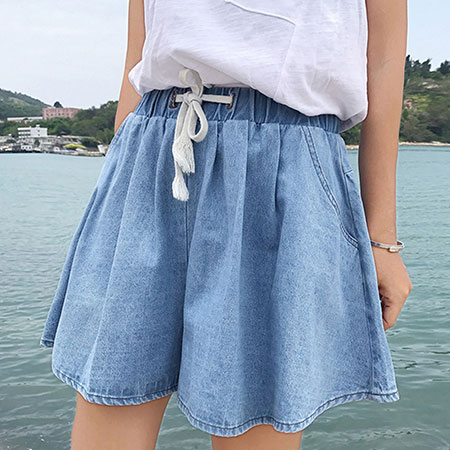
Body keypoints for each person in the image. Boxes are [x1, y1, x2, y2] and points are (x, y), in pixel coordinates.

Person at [40, 0, 413, 448]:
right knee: (110, 397)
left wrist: (382, 241)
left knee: (258, 411)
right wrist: (118, 179)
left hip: (281, 160)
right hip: (152, 148)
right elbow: (138, 56)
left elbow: (385, 64)